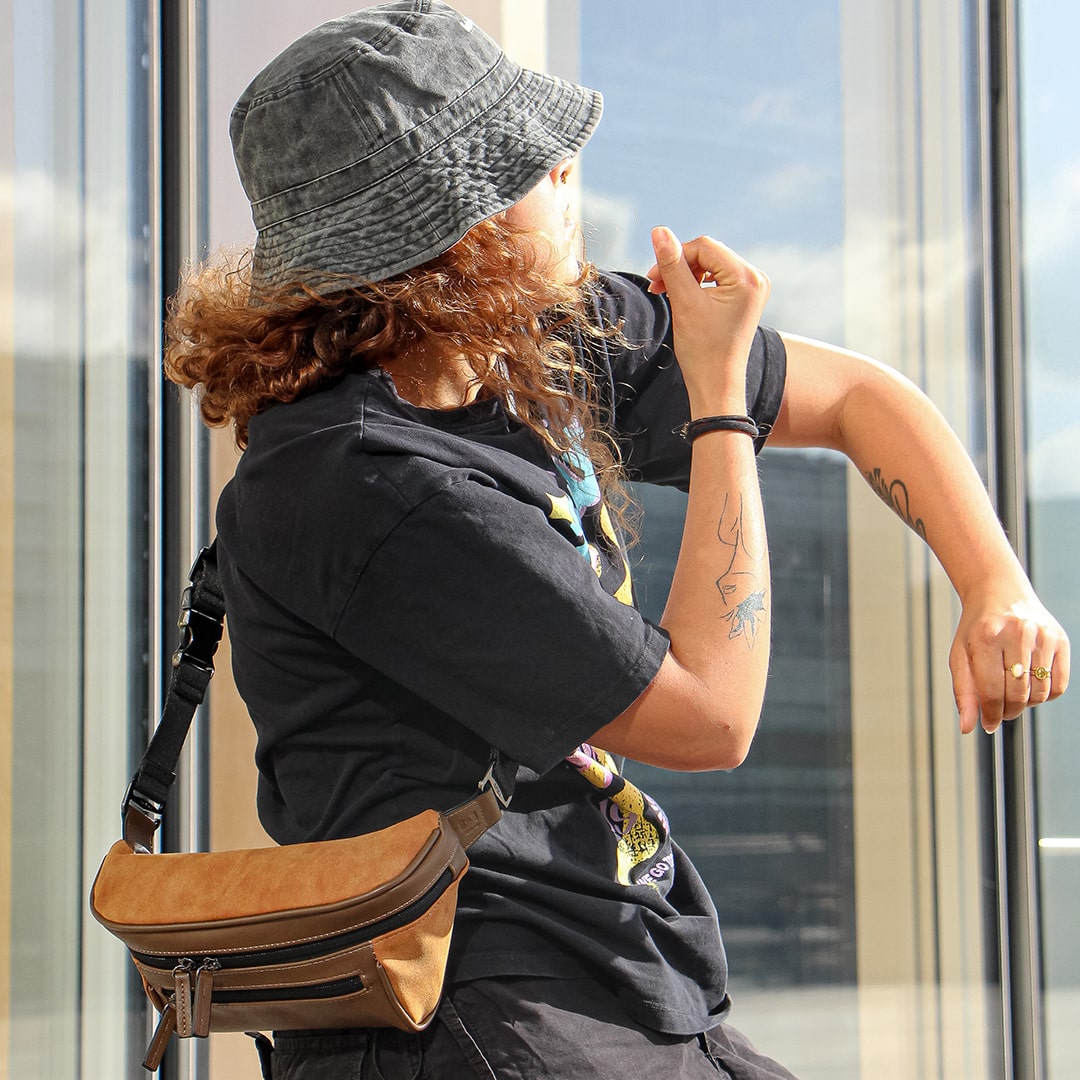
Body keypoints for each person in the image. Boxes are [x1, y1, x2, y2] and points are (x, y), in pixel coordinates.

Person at [164, 3, 1070, 1078]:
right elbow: (711, 714)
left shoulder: (516, 345)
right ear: (453, 233)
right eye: (528, 162)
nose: (565, 169)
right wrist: (719, 400)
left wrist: (995, 584)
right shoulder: (368, 481)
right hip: (481, 1021)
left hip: (615, 980)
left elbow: (863, 398)